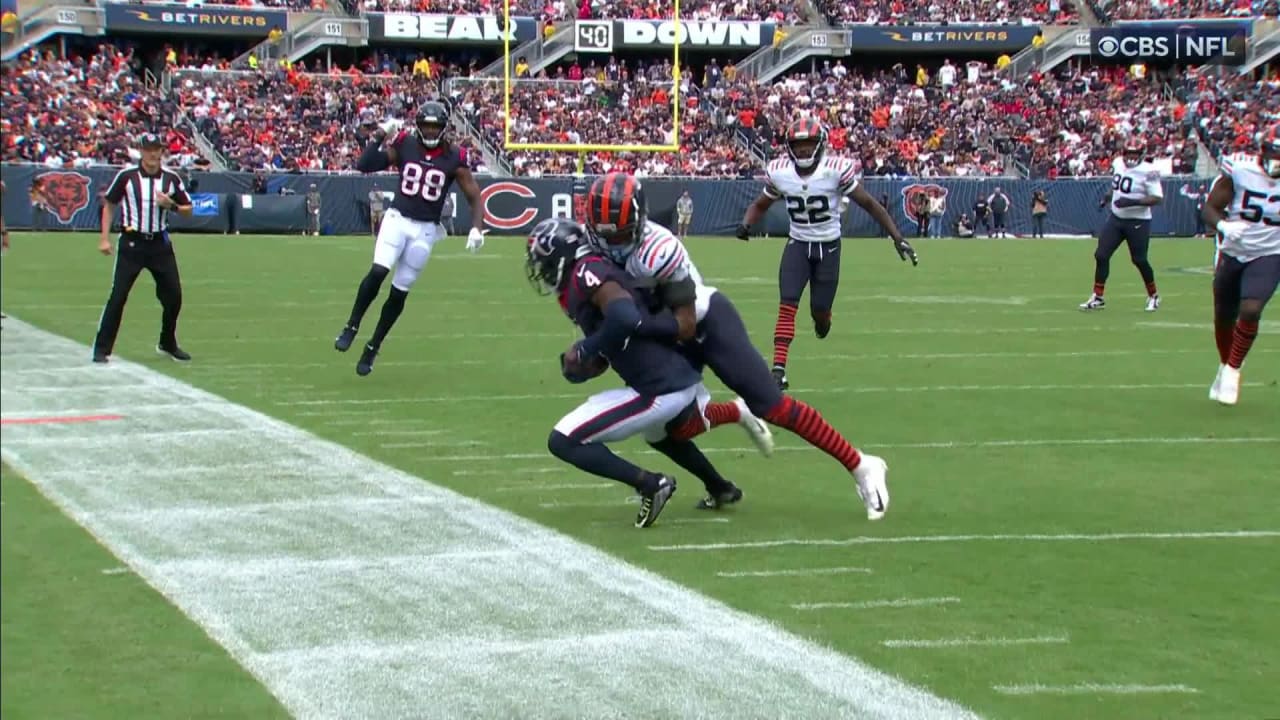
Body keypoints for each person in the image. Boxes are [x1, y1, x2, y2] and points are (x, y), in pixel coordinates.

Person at [586, 174, 890, 519]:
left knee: (772, 406)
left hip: (702, 323)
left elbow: (683, 325)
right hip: (660, 332)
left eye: (621, 233)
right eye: (605, 233)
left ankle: (862, 464)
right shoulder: (591, 245)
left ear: (639, 221)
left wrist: (628, 331)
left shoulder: (658, 249)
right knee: (661, 429)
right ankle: (731, 425)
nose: (612, 244)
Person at [525, 218, 745, 527]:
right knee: (660, 435)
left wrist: (587, 349)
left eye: (544, 261)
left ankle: (650, 484)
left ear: (562, 255)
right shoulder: (585, 273)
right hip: (669, 377)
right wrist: (585, 364)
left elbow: (625, 317)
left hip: (659, 387)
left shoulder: (586, 271)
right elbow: (616, 336)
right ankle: (720, 487)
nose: (542, 269)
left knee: (563, 439)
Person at [735, 118, 917, 391]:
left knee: (820, 313)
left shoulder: (835, 171)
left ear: (820, 146)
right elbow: (761, 203)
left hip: (829, 248)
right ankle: (778, 369)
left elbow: (869, 204)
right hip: (797, 245)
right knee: (787, 305)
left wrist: (897, 237)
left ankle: (824, 319)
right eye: (799, 145)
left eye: (809, 145)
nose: (805, 151)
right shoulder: (780, 172)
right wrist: (746, 223)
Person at [334, 102, 486, 376]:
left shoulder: (455, 157)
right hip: (397, 220)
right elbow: (365, 164)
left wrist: (476, 227)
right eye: (426, 125)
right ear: (418, 125)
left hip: (425, 230)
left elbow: (474, 195)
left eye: (434, 126)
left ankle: (373, 346)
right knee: (378, 270)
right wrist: (381, 134)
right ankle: (352, 325)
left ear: (443, 128)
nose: (430, 130)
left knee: (399, 291)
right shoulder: (405, 145)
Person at [92, 132, 193, 364]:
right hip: (132, 243)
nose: (153, 154)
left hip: (159, 244)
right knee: (118, 296)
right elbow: (109, 204)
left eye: (156, 149)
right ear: (141, 151)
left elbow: (189, 210)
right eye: (148, 150)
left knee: (174, 297)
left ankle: (167, 342)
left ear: (162, 151)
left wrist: (172, 206)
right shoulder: (127, 176)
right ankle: (102, 348)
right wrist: (104, 238)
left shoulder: (171, 178)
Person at [1201, 123, 1280, 406]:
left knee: (1251, 308)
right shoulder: (1241, 171)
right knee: (1224, 315)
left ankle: (1233, 369)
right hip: (1232, 250)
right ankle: (1225, 365)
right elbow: (1209, 207)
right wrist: (1222, 225)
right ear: (1263, 149)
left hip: (1270, 252)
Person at [1079, 138, 1163, 312]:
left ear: (1142, 155)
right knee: (1101, 255)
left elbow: (1157, 198)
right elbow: (1117, 186)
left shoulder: (1149, 171)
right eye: (1129, 153)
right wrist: (1108, 196)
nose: (1131, 157)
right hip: (1117, 218)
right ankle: (1098, 296)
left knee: (1139, 260)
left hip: (1138, 221)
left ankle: (1153, 295)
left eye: (1135, 154)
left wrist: (1131, 202)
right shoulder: (1118, 163)